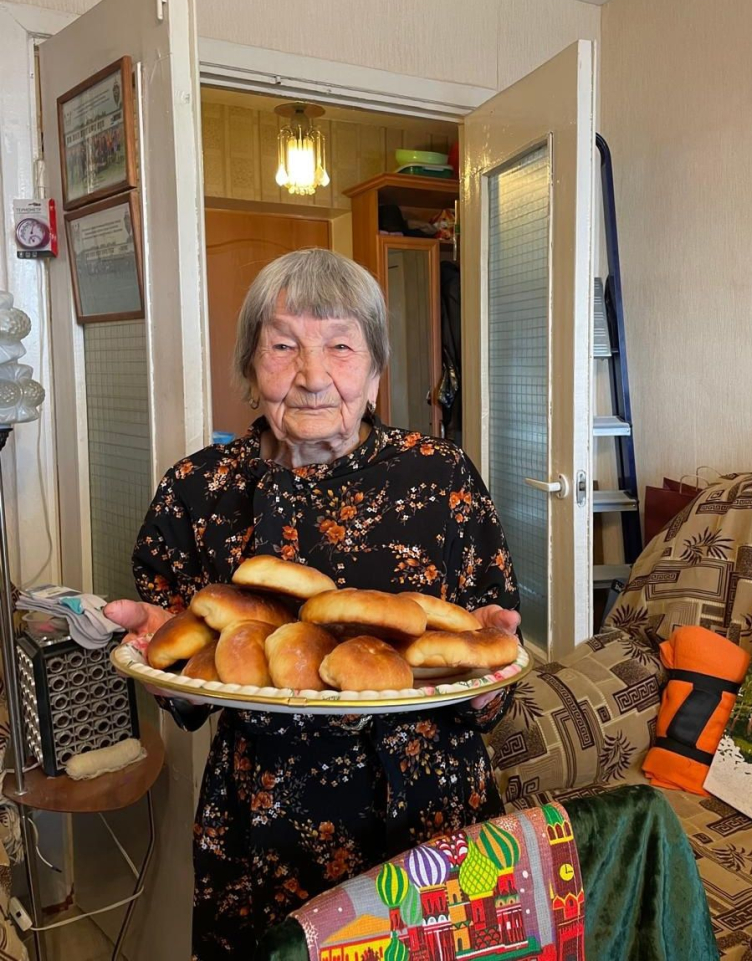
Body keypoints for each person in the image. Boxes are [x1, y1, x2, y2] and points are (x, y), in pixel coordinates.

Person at [105, 249, 520, 961]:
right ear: (249, 364)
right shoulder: (198, 490)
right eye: (282, 346)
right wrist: (163, 657)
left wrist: (489, 684)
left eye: (340, 346)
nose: (311, 374)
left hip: (431, 810)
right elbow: (188, 681)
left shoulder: (441, 475)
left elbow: (489, 647)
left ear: (376, 369)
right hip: (265, 821)